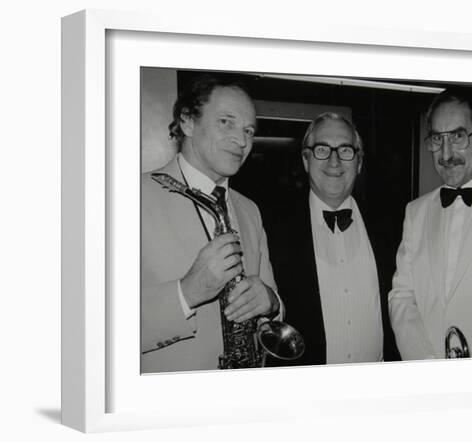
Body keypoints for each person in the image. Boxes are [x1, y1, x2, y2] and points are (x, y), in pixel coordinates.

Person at [140, 75, 282, 373]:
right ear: (188, 122)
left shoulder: (250, 210)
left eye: (248, 130)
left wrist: (270, 302)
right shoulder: (127, 198)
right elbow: (89, 328)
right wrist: (187, 292)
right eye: (226, 122)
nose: (242, 140)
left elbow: (271, 300)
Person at [265, 112, 383, 366]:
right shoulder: (272, 229)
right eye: (322, 149)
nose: (334, 161)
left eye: (345, 150)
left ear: (359, 162)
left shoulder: (390, 225)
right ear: (306, 160)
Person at [388, 88, 472, 360]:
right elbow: (402, 297)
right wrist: (426, 364)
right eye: (437, 138)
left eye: (458, 136)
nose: (446, 154)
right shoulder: (416, 211)